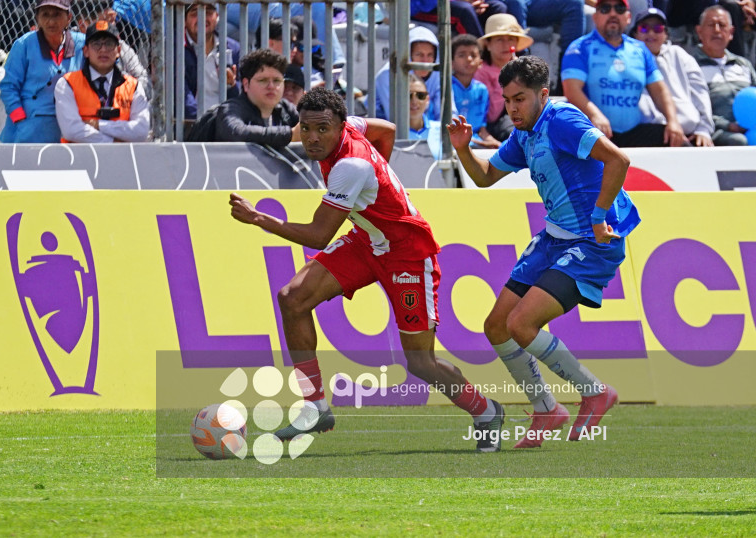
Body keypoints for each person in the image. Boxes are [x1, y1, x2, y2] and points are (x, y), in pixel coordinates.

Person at [230, 87, 506, 453]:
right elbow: (388, 130)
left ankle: (487, 411)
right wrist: (381, 181)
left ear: (340, 127)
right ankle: (315, 407)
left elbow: (318, 234)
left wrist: (258, 218)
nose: (312, 138)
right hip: (368, 240)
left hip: (407, 253)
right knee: (292, 299)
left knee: (420, 362)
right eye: (306, 128)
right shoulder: (352, 127)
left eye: (322, 130)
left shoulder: (351, 166)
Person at [448, 56, 639, 448]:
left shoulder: (563, 122)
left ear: (543, 95)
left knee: (522, 325)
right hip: (555, 238)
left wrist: (601, 215)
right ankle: (547, 409)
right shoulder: (523, 134)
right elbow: (485, 178)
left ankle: (594, 391)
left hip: (593, 240)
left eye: (520, 98)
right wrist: (464, 150)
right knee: (496, 326)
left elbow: (618, 160)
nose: (512, 108)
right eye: (507, 100)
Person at [561, 0, 688, 148]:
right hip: (592, 132)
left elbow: (659, 90)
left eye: (620, 9)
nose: (613, 13)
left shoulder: (640, 50)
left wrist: (673, 121)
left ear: (628, 18)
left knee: (679, 142)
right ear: (595, 17)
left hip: (633, 132)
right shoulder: (579, 48)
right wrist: (595, 115)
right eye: (605, 8)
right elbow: (571, 90)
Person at [0, 0, 85, 143]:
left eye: (57, 15)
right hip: (27, 129)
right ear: (37, 18)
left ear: (69, 18)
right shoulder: (24, 45)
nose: (51, 21)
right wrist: (20, 120)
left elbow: (105, 64)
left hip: (68, 128)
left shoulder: (82, 44)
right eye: (45, 15)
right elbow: (8, 87)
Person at [55, 21, 149, 142]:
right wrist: (112, 142)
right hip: (79, 158)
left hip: (123, 159)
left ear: (118, 51)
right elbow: (71, 130)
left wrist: (98, 125)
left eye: (109, 44)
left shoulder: (133, 86)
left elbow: (140, 131)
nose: (103, 50)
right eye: (96, 44)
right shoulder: (67, 84)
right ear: (86, 51)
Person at [632, 7, 714, 147]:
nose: (651, 33)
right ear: (635, 34)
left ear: (666, 34)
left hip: (691, 132)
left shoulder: (680, 55)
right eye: (644, 28)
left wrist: (704, 130)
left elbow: (700, 93)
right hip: (653, 132)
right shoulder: (629, 58)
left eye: (658, 28)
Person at [188, 48, 299, 145]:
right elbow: (237, 133)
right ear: (246, 84)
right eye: (263, 80)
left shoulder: (286, 109)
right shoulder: (230, 109)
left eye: (277, 80)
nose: (271, 86)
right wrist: (290, 135)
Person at [692, 5, 756, 146]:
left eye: (722, 25)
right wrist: (728, 125)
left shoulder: (743, 64)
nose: (717, 30)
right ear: (699, 31)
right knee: (739, 141)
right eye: (711, 25)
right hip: (713, 130)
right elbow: (690, 107)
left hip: (751, 128)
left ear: (731, 32)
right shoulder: (690, 64)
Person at [72, 0, 150, 98]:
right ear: (83, 25)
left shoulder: (120, 46)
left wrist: (121, 90)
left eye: (112, 22)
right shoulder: (71, 44)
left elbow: (144, 80)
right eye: (106, 23)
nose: (111, 28)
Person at [475, 13, 533, 143]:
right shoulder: (481, 72)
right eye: (499, 39)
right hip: (493, 126)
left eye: (511, 39)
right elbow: (492, 115)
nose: (506, 45)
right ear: (488, 45)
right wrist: (509, 77)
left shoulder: (523, 67)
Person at [183, 2, 240, 120]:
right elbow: (183, 100)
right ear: (184, 21)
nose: (202, 17)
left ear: (217, 16)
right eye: (194, 13)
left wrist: (232, 85)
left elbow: (245, 95)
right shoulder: (175, 49)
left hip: (228, 123)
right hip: (190, 125)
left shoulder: (233, 49)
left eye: (208, 12)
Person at [375, 26, 442, 122]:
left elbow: (447, 112)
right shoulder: (388, 75)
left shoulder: (438, 74)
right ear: (408, 55)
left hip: (423, 128)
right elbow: (395, 118)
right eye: (419, 55)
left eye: (430, 55)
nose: (425, 61)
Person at [451, 33, 496, 148]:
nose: (469, 59)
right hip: (451, 141)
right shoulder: (445, 86)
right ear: (451, 63)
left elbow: (482, 130)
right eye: (462, 55)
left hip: (475, 142)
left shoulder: (482, 90)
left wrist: (496, 145)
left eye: (473, 55)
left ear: (480, 63)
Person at [408, 73, 443, 158]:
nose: (414, 101)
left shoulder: (442, 130)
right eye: (409, 95)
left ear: (427, 99)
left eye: (420, 95)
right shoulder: (390, 134)